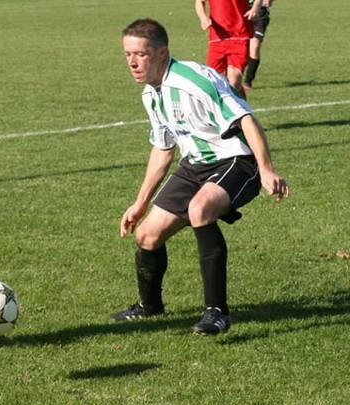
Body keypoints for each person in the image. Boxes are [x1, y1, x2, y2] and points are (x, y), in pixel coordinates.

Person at [111, 18, 289, 335]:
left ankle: (217, 312)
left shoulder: (194, 80)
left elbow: (246, 118)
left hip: (237, 160)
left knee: (200, 209)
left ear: (162, 53)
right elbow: (163, 149)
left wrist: (266, 170)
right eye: (128, 55)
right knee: (147, 236)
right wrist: (140, 203)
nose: (133, 63)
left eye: (141, 54)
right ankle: (150, 306)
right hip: (195, 165)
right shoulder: (151, 94)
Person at [195, 0, 262, 97]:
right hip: (217, 36)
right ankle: (239, 102)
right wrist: (203, 18)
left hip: (240, 35)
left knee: (234, 81)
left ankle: (239, 105)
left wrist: (255, 8)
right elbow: (199, 2)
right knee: (214, 81)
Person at [243, 0, 275, 91]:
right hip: (242, 10)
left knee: (255, 46)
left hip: (260, 13)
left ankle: (248, 82)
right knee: (242, 47)